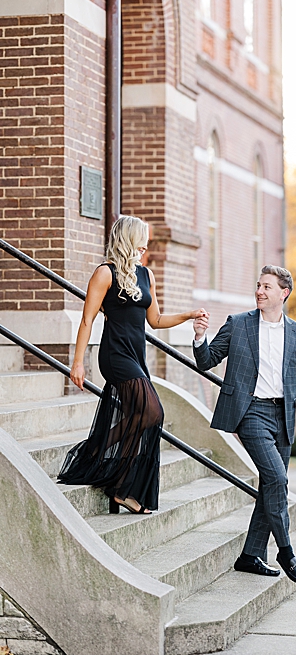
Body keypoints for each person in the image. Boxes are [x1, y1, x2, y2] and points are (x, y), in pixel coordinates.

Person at [59, 215, 207, 515]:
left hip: (136, 355)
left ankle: (114, 478)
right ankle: (106, 465)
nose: (146, 243)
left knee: (145, 415)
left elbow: (156, 320)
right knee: (152, 412)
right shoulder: (105, 274)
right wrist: (77, 363)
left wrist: (188, 315)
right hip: (115, 355)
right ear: (129, 238)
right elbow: (87, 319)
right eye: (143, 237)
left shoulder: (145, 274)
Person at [192, 265, 296, 584]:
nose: (259, 291)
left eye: (267, 287)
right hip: (250, 413)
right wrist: (199, 336)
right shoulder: (239, 324)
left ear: (284, 293)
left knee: (270, 485)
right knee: (277, 478)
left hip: (283, 418)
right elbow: (208, 361)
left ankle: (250, 555)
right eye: (258, 285)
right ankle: (286, 552)